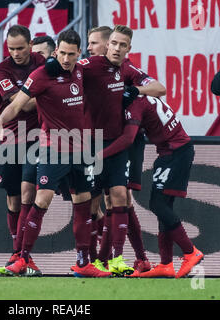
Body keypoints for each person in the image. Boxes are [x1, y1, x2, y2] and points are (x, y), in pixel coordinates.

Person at [0, 29, 112, 278]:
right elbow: (17, 104)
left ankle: (83, 262)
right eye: (62, 53)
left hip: (81, 147)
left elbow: (109, 60)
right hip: (52, 148)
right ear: (55, 52)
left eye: (71, 54)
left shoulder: (82, 70)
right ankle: (22, 258)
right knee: (41, 200)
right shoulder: (41, 75)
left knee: (83, 203)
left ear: (79, 54)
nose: (66, 59)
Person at [84, 25, 166, 275]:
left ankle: (118, 259)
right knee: (92, 203)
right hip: (89, 142)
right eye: (114, 44)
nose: (117, 48)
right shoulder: (89, 66)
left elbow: (160, 89)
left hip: (122, 142)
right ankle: (95, 260)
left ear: (128, 48)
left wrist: (134, 90)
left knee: (120, 197)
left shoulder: (127, 70)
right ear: (109, 45)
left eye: (123, 45)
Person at [97, 94, 204, 279]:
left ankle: (190, 251)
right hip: (173, 151)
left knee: (158, 205)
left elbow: (128, 138)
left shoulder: (134, 106)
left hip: (175, 152)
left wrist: (100, 155)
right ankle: (166, 264)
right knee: (163, 205)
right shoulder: (142, 97)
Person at [0, 25, 47, 276]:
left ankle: (19, 254)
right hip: (12, 138)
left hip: (39, 137)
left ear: (30, 44)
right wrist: (46, 97)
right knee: (13, 199)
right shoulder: (0, 71)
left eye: (21, 48)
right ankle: (20, 254)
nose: (16, 53)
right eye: (11, 48)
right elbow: (19, 105)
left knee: (28, 194)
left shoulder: (41, 62)